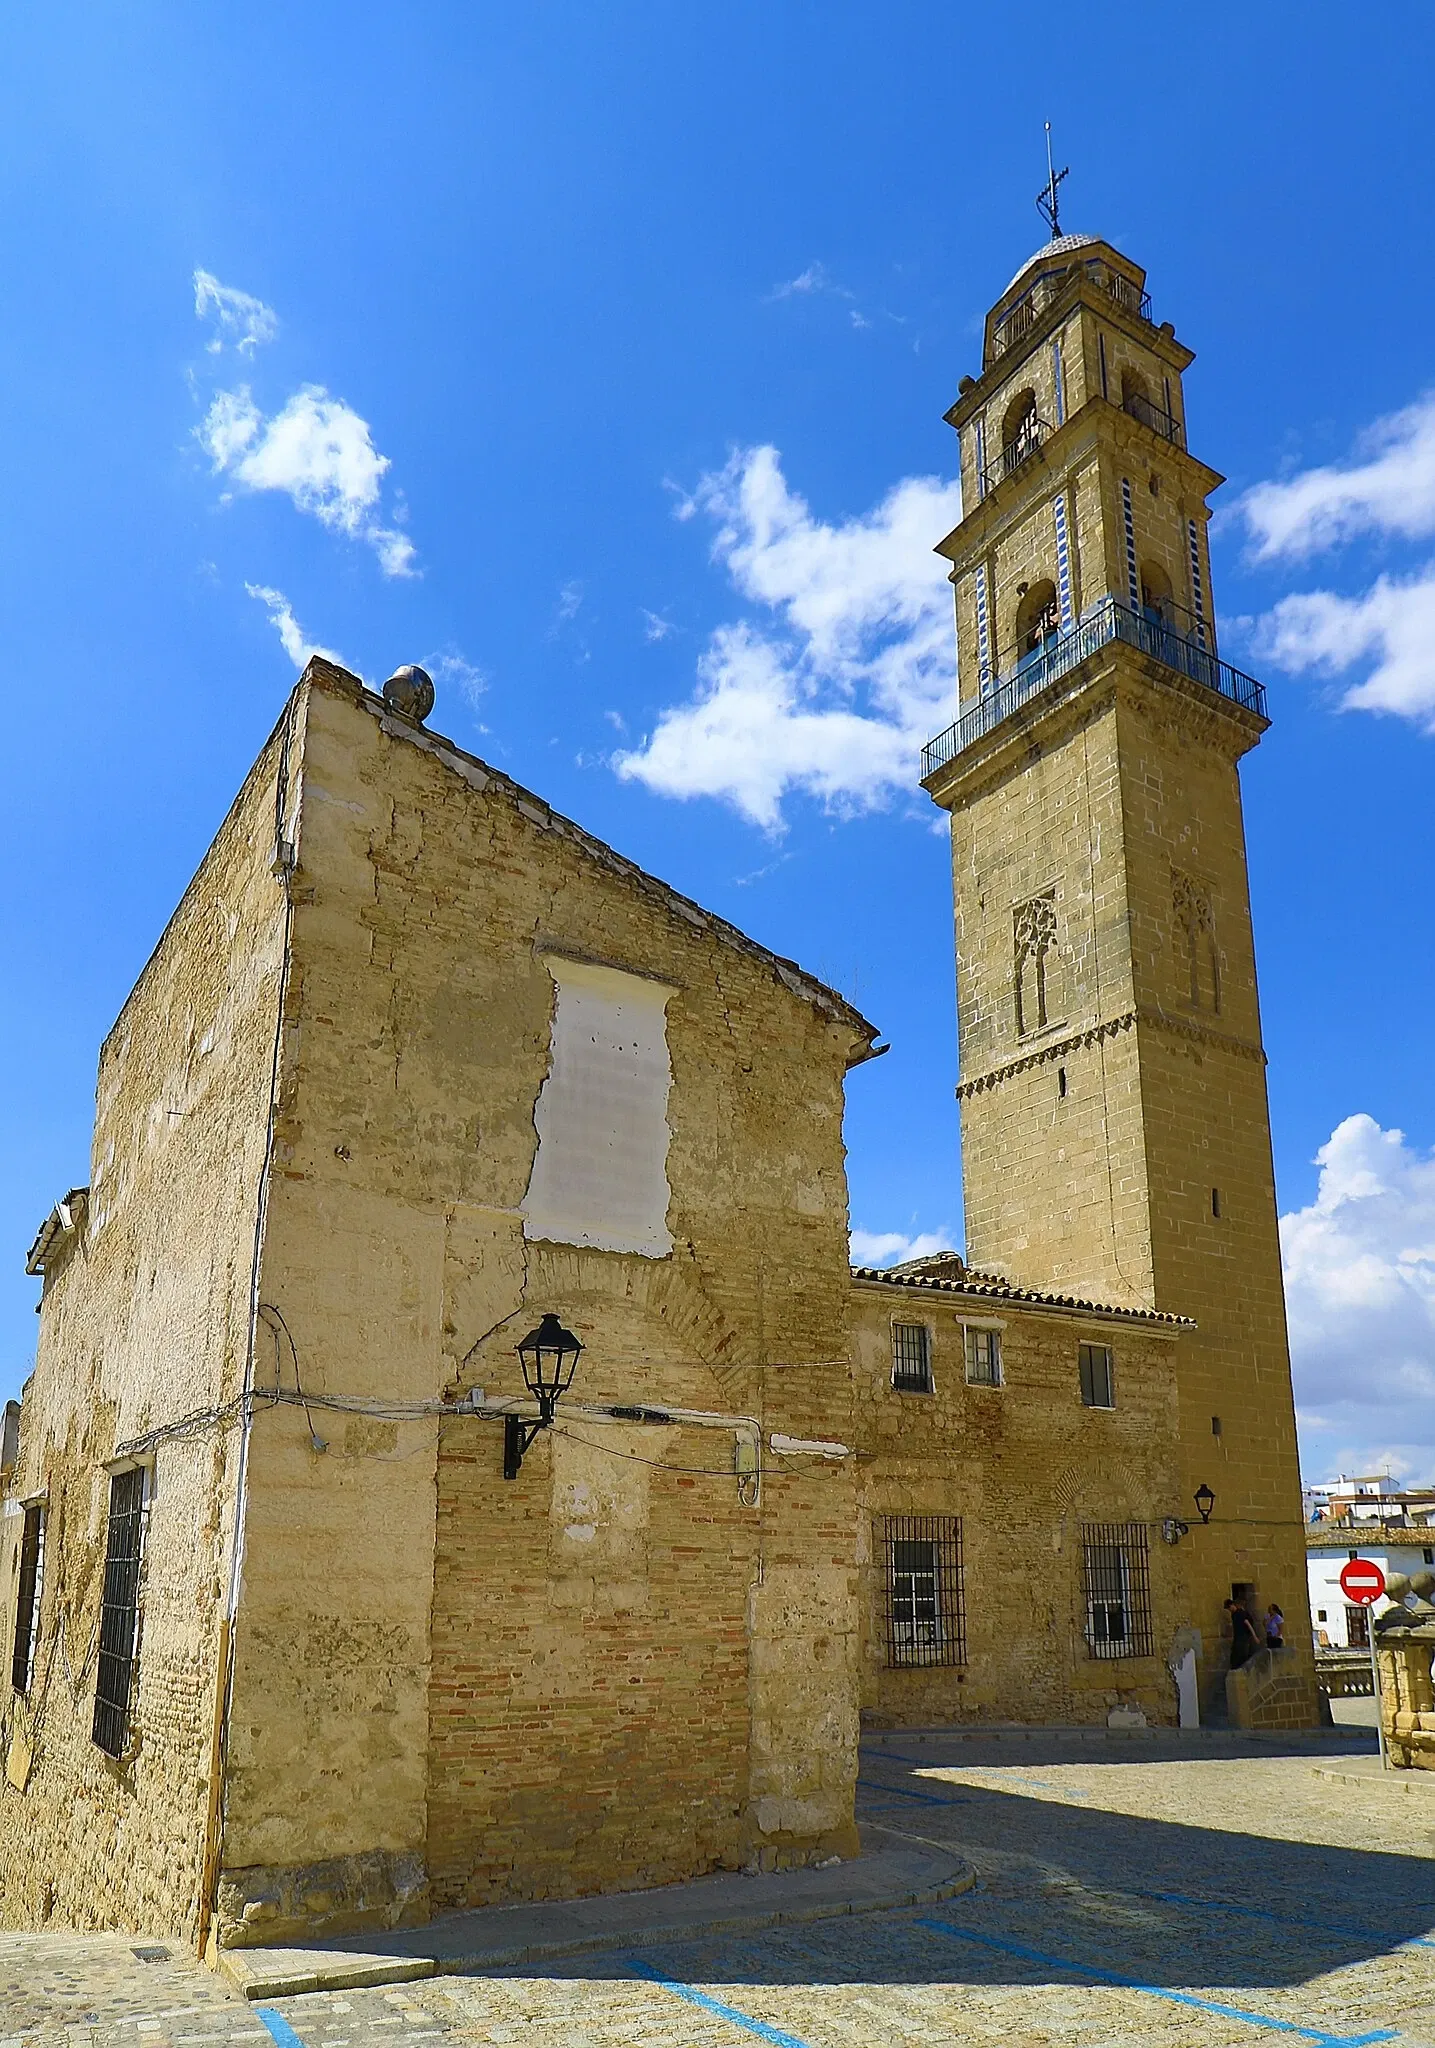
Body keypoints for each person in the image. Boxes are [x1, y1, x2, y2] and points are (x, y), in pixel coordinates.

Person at [1226, 1598, 1262, 1668]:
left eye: (1229, 1608)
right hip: (1237, 1639)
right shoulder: (1234, 1615)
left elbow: (1248, 1625)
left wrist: (1254, 1637)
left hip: (1243, 1639)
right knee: (1234, 1658)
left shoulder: (1241, 1613)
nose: (1229, 1610)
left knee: (1242, 1658)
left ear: (1232, 1605)